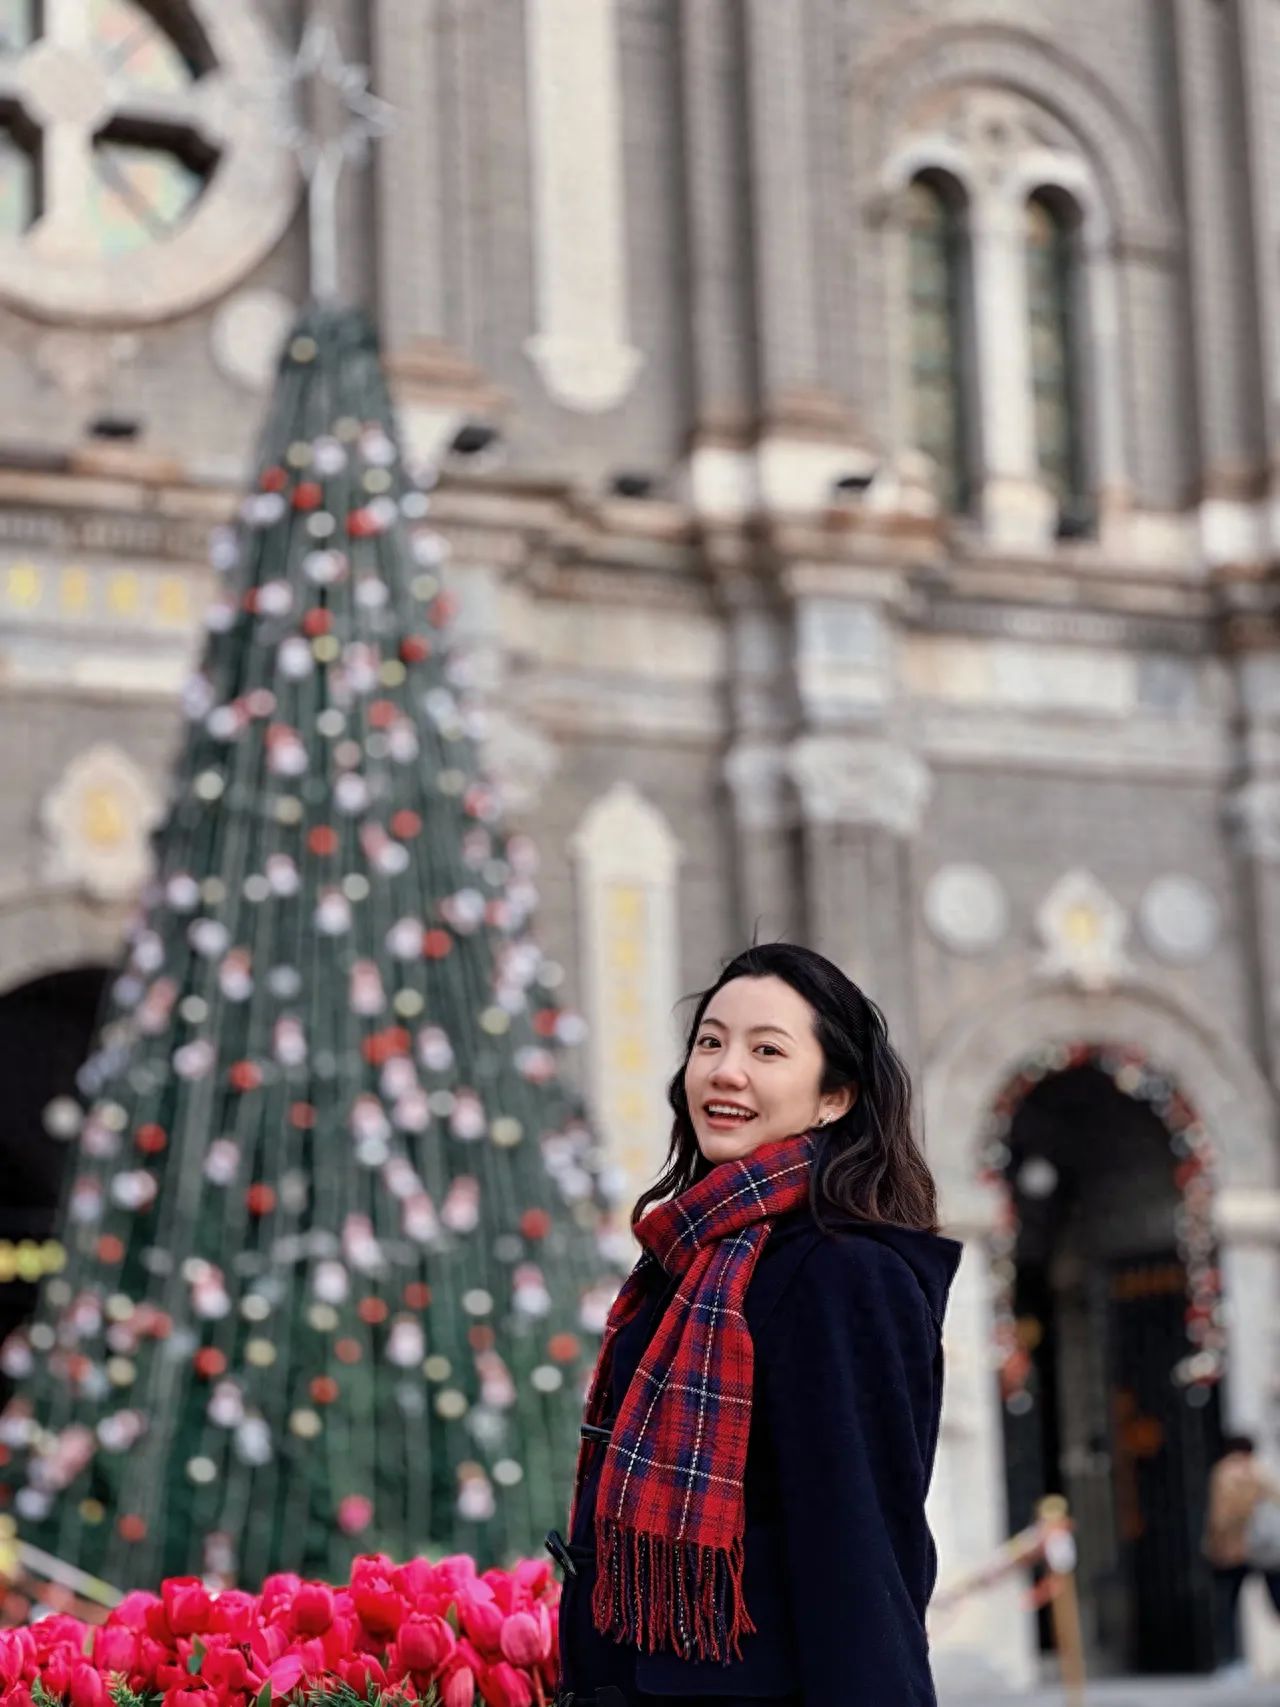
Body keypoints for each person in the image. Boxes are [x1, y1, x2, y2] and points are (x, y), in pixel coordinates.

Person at [546, 942, 963, 1707]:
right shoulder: (687, 1257)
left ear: (835, 1095)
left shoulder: (845, 1273)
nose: (725, 1069)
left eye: (766, 1049)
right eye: (710, 1041)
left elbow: (859, 1550)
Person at [1203, 1433, 1280, 1673]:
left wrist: (1213, 1543)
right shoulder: (1260, 1471)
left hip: (1232, 1549)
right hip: (1263, 1549)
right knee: (1275, 1600)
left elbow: (1219, 1515)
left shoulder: (1224, 1473)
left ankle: (1232, 1661)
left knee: (1227, 1606)